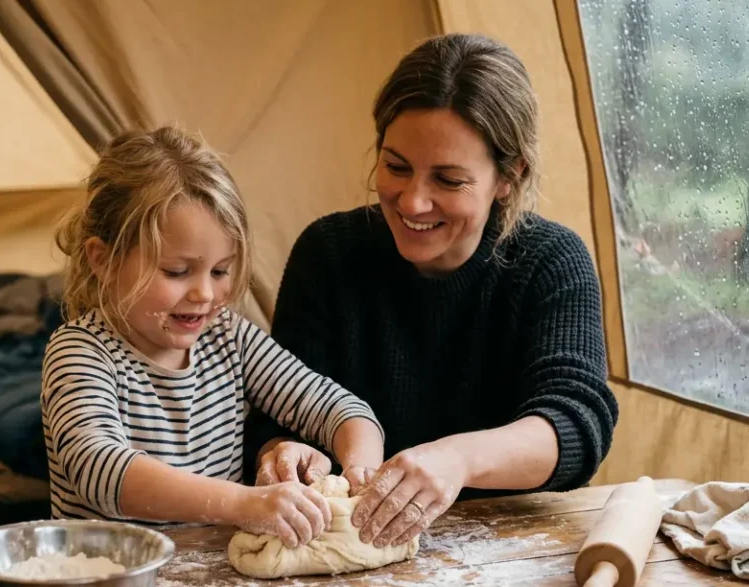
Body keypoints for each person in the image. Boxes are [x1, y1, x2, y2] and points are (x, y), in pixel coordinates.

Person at [248, 33, 618, 549]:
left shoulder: (552, 262)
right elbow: (274, 412)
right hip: (348, 552)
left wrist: (457, 460)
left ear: (510, 176)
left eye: (448, 180)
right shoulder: (328, 253)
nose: (413, 201)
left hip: (510, 554)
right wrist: (282, 452)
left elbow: (575, 424)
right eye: (396, 166)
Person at [41, 126, 385, 549]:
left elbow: (340, 408)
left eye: (220, 271)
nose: (205, 294)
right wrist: (243, 503)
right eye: (177, 271)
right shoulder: (80, 352)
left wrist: (360, 476)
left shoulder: (229, 340)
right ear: (104, 260)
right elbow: (100, 469)